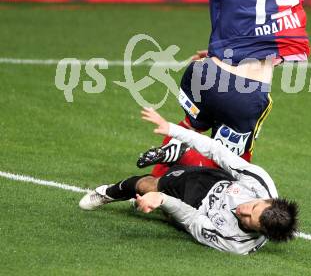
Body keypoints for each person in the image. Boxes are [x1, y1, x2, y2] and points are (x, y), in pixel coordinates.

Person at [114, 0, 311, 175]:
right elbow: (280, 36)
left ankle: (153, 181)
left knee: (191, 125)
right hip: (247, 91)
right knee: (234, 170)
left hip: (207, 75)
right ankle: (192, 186)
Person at [79, 108, 299, 255]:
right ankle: (106, 192)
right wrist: (173, 130)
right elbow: (218, 151)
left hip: (199, 210)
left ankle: (174, 159)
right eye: (252, 206)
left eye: (249, 219)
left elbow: (192, 219)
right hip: (211, 183)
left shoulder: (235, 243)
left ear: (259, 232)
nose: (242, 210)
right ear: (267, 199)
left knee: (162, 209)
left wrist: (163, 201)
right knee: (148, 186)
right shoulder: (259, 184)